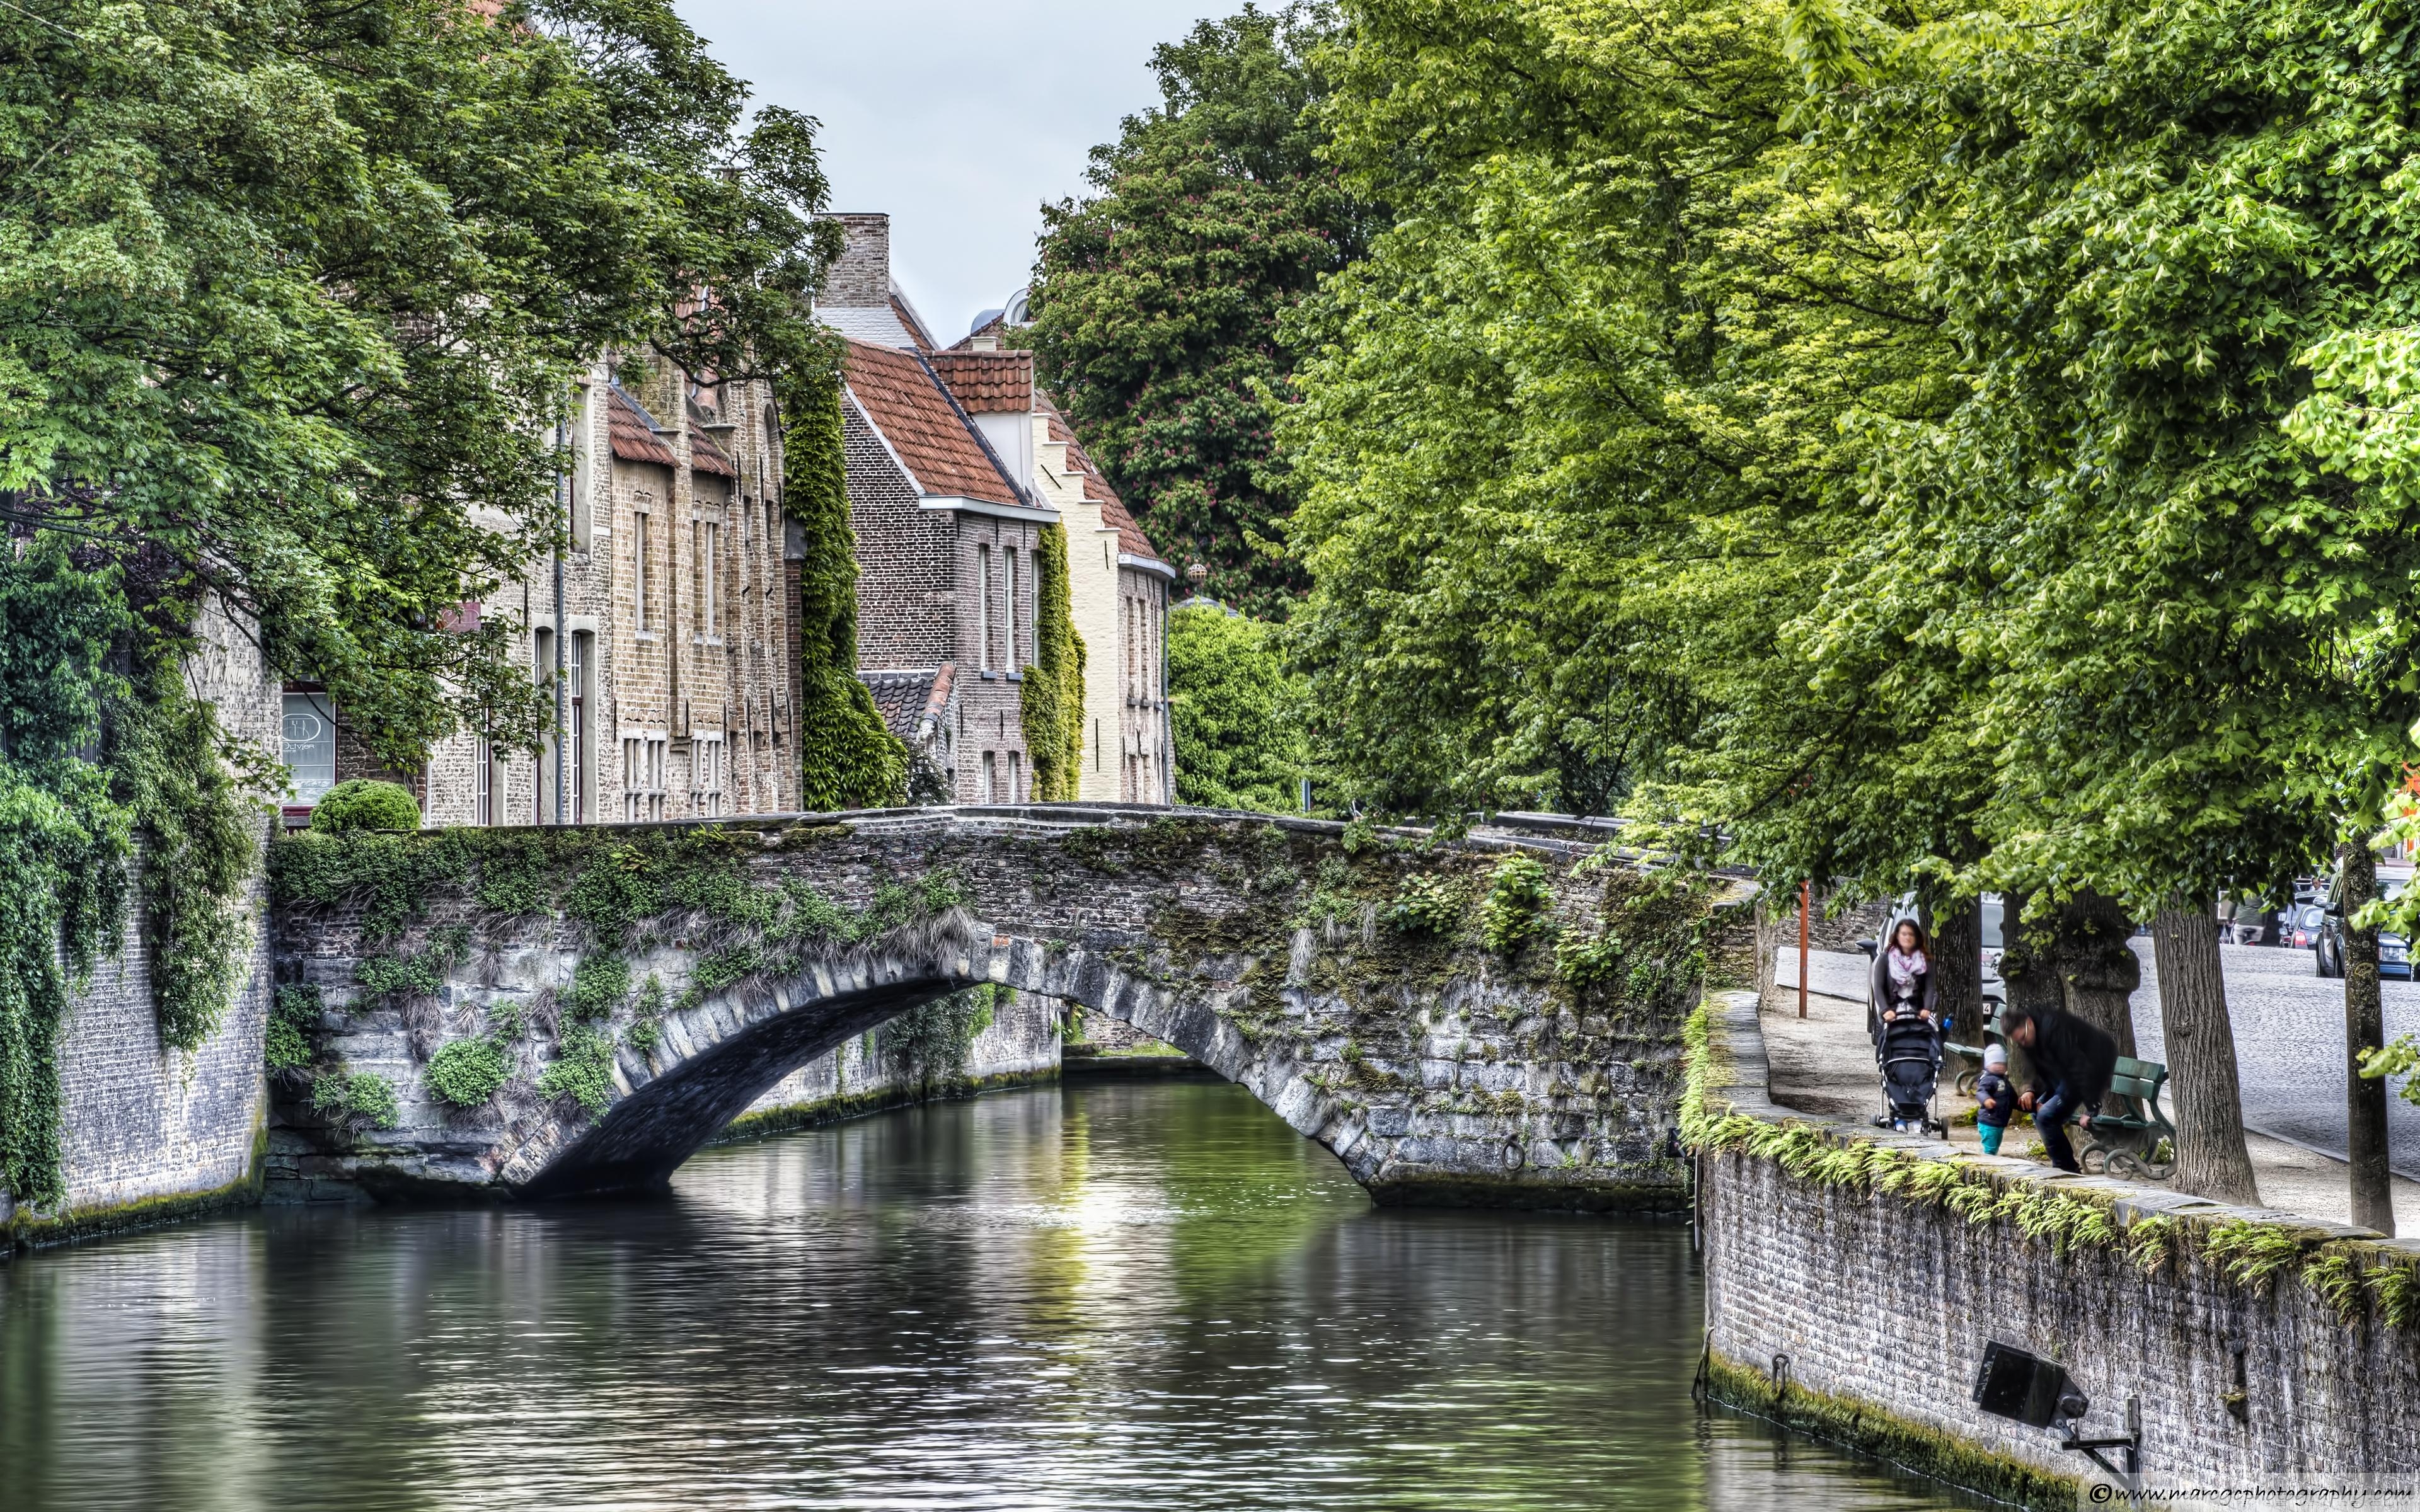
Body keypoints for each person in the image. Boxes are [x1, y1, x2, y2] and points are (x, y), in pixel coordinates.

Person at [2004, 1002, 2118, 1173]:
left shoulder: (2054, 1029)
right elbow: (2034, 1066)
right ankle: (2063, 1164)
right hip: (2062, 1075)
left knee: (2046, 1116)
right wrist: (2029, 1090)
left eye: (2023, 1039)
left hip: (2091, 1068)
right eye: (2018, 1042)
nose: (2023, 1044)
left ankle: (2066, 1169)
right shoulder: (2031, 1036)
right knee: (2036, 1111)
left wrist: (2091, 1106)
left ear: (2028, 1023)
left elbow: (2079, 1065)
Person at [1869, 919, 1939, 1034]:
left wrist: (1927, 1009)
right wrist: (1885, 1010)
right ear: (1897, 936)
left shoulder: (1926, 961)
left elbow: (1930, 988)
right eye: (1904, 934)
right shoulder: (1885, 959)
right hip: (1892, 1012)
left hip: (1917, 1012)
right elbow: (1878, 988)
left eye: (1911, 934)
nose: (1907, 938)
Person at [1974, 1043, 2016, 1156]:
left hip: (1999, 1123)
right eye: (1996, 1063)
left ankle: (1987, 1158)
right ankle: (1986, 1162)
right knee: (1990, 1148)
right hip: (1988, 1122)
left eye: (2003, 1063)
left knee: (1995, 1147)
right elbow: (1981, 1092)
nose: (2000, 1066)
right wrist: (1986, 1099)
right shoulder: (1988, 1079)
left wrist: (2031, 1107)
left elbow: (2013, 1099)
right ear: (1988, 1065)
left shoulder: (2005, 1081)